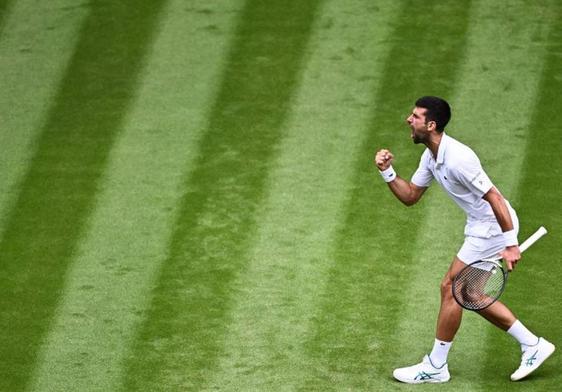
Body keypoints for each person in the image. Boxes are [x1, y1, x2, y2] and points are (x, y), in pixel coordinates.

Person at [374, 96, 555, 383]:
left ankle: (435, 366)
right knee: (468, 294)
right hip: (481, 226)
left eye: (415, 117)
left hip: (492, 228)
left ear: (431, 125)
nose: (409, 120)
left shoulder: (459, 159)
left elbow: (494, 197)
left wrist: (509, 244)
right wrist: (387, 172)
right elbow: (410, 196)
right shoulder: (430, 156)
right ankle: (533, 345)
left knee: (450, 287)